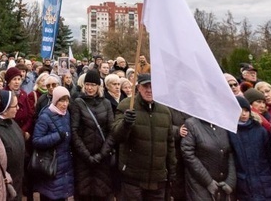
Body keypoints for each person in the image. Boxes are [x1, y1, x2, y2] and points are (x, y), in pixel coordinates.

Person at [111, 73, 175, 201]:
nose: (149, 90)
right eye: (146, 86)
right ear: (138, 87)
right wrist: (126, 123)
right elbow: (117, 136)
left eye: (153, 86)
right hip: (133, 179)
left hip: (158, 180)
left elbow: (170, 144)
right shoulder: (127, 105)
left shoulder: (165, 111)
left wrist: (172, 172)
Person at [71, 69, 114, 201]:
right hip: (83, 158)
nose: (90, 88)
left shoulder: (106, 103)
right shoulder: (78, 103)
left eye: (93, 85)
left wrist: (102, 154)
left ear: (98, 86)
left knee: (102, 193)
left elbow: (111, 131)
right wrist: (86, 155)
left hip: (103, 157)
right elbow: (74, 131)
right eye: (87, 84)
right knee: (84, 193)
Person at [227, 96, 271, 201]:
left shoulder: (260, 131)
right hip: (244, 187)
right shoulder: (229, 133)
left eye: (246, 110)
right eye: (240, 110)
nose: (243, 114)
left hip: (267, 184)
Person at [32, 86, 74, 201]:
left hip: (64, 165)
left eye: (66, 100)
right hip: (50, 165)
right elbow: (36, 140)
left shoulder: (66, 114)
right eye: (61, 100)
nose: (65, 104)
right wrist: (56, 137)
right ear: (55, 100)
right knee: (49, 196)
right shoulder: (45, 116)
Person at [181, 116, 236, 199]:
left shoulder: (223, 125)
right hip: (199, 184)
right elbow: (188, 154)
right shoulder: (192, 124)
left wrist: (230, 181)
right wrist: (208, 181)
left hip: (222, 185)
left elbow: (230, 153)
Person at [0, 90, 26, 200]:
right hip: (5, 189)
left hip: (17, 183)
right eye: (15, 106)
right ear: (4, 109)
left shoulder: (12, 123)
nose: (18, 108)